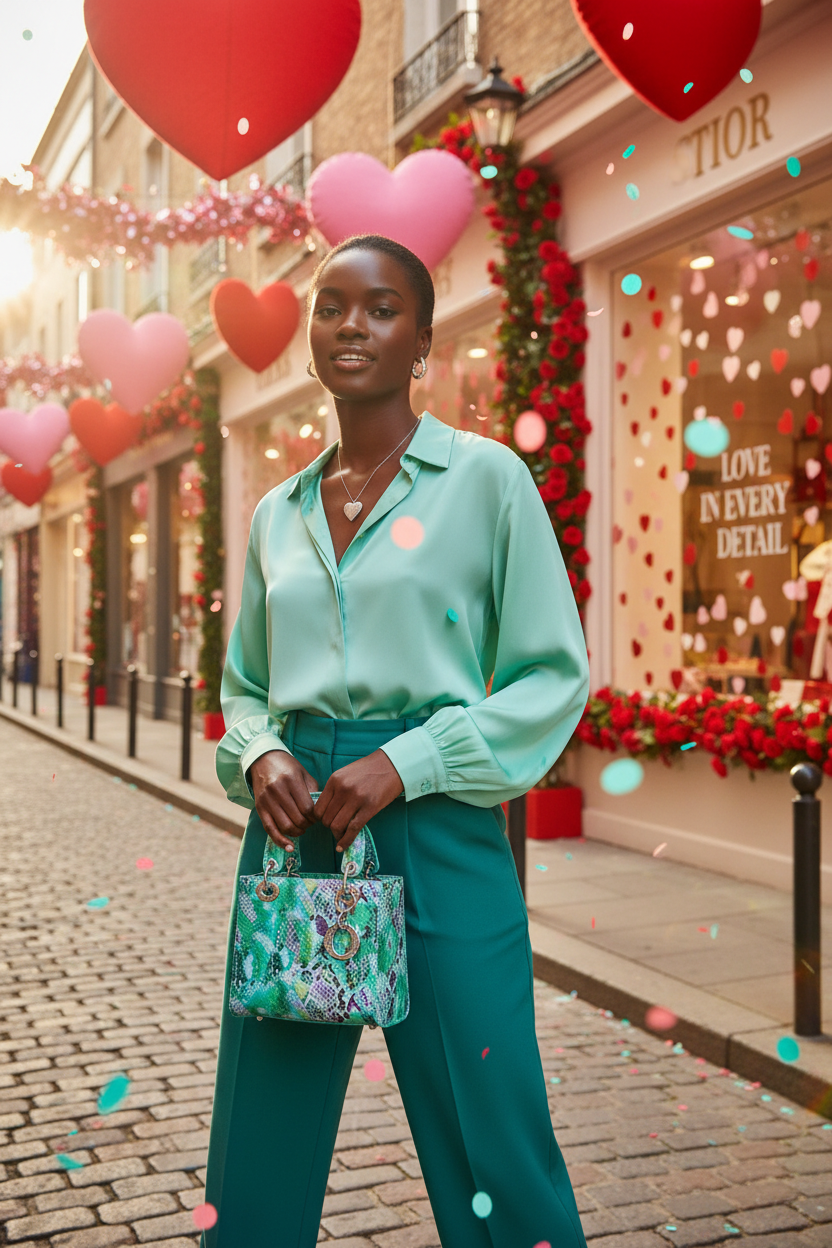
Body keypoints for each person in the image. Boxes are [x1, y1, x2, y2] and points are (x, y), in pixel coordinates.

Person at [202, 233, 590, 1248]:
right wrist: (258, 755)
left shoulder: (487, 482)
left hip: (443, 830)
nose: (350, 328)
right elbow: (243, 689)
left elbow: (553, 676)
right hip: (295, 835)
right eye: (332, 307)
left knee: (489, 1120)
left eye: (380, 309)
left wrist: (408, 760)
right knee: (260, 1130)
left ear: (422, 338)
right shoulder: (277, 514)